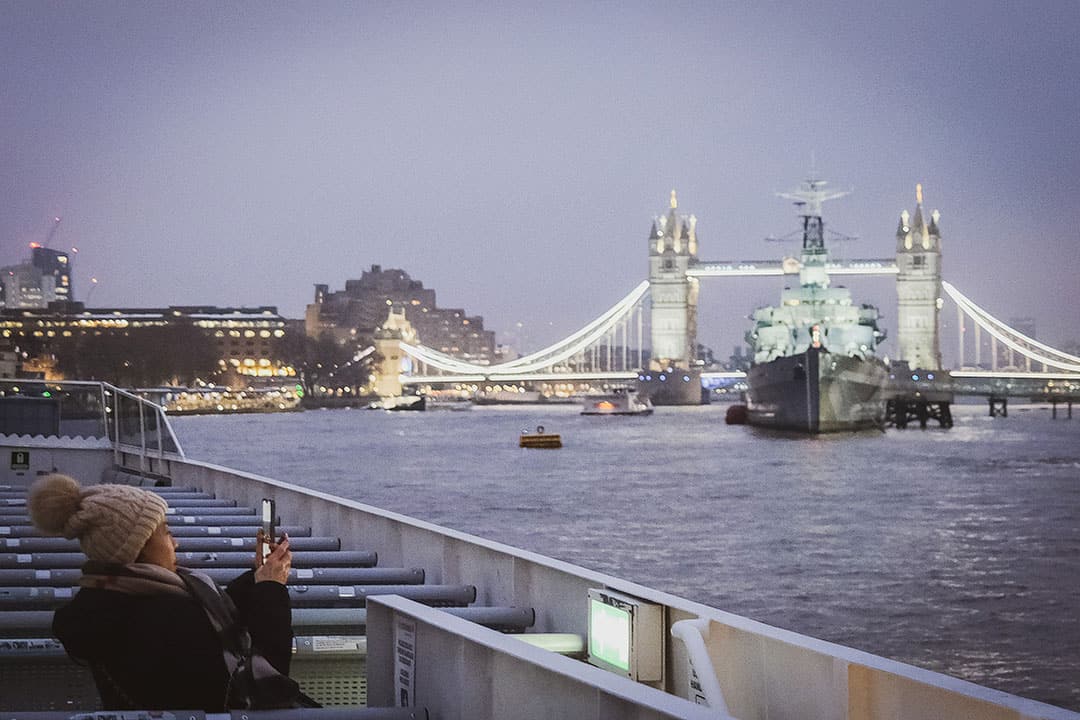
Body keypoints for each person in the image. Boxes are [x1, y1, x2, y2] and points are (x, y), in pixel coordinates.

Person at [27, 473, 304, 711]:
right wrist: (271, 589)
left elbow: (207, 621)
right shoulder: (163, 618)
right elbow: (267, 687)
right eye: (166, 532)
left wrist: (258, 579)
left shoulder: (107, 603)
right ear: (138, 547)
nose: (176, 543)